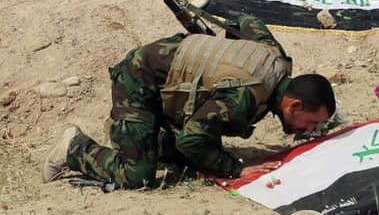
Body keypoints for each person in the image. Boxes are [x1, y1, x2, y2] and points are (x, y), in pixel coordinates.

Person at [42, 15, 336, 190]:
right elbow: (192, 140)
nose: (306, 130)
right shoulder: (244, 97)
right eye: (309, 123)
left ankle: (141, 138)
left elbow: (249, 23)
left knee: (186, 157)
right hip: (140, 81)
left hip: (168, 73)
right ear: (294, 105)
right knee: (137, 175)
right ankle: (74, 147)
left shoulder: (277, 60)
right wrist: (235, 169)